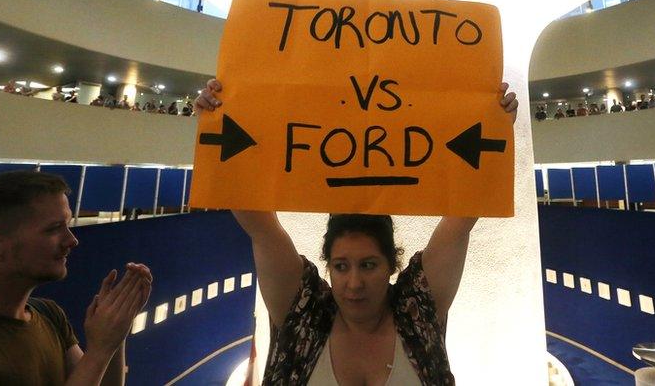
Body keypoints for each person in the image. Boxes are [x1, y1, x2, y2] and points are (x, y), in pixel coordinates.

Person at [195, 78, 518, 384]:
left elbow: (461, 220)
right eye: (341, 266)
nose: (354, 283)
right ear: (328, 266)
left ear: (391, 265)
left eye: (368, 264)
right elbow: (261, 227)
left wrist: (494, 122)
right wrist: (218, 117)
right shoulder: (304, 315)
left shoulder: (416, 312)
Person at [0, 171, 152, 385]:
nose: (72, 241)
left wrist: (115, 334)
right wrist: (99, 350)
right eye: (53, 228)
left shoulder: (49, 315)